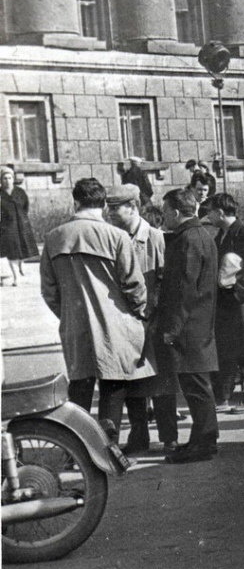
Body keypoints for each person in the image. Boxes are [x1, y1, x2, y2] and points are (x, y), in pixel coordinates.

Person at [40, 178, 153, 438]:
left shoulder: (53, 238)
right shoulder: (117, 236)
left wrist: (68, 313)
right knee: (113, 384)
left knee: (79, 388)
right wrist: (138, 312)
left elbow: (49, 291)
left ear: (76, 202)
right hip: (114, 324)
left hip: (74, 325)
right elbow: (134, 284)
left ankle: (77, 448)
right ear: (103, 204)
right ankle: (108, 447)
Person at [105, 184, 179, 454]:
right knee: (133, 383)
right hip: (126, 323)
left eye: (115, 208)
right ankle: (139, 436)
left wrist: (155, 312)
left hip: (154, 320)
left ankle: (169, 436)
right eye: (108, 207)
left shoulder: (156, 238)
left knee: (161, 383)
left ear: (133, 207)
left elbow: (165, 280)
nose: (110, 213)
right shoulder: (112, 238)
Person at [156, 187, 220, 463]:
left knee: (196, 386)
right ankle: (200, 439)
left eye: (165, 211)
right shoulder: (197, 235)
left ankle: (204, 443)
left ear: (177, 212)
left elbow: (184, 289)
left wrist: (172, 329)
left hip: (189, 326)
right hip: (197, 322)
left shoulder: (189, 240)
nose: (163, 217)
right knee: (196, 386)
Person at [205, 192, 244, 414]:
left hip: (241, 302)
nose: (208, 216)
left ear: (220, 212)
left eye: (210, 211)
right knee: (226, 350)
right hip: (227, 301)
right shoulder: (221, 236)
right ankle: (223, 397)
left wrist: (239, 295)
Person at [0, 165, 38, 286]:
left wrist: (22, 218)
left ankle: (21, 268)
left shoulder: (20, 192)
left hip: (21, 225)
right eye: (4, 178)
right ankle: (16, 276)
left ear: (13, 179)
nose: (7, 180)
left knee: (23, 249)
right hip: (7, 227)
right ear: (1, 180)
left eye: (9, 178)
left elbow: (26, 205)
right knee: (12, 251)